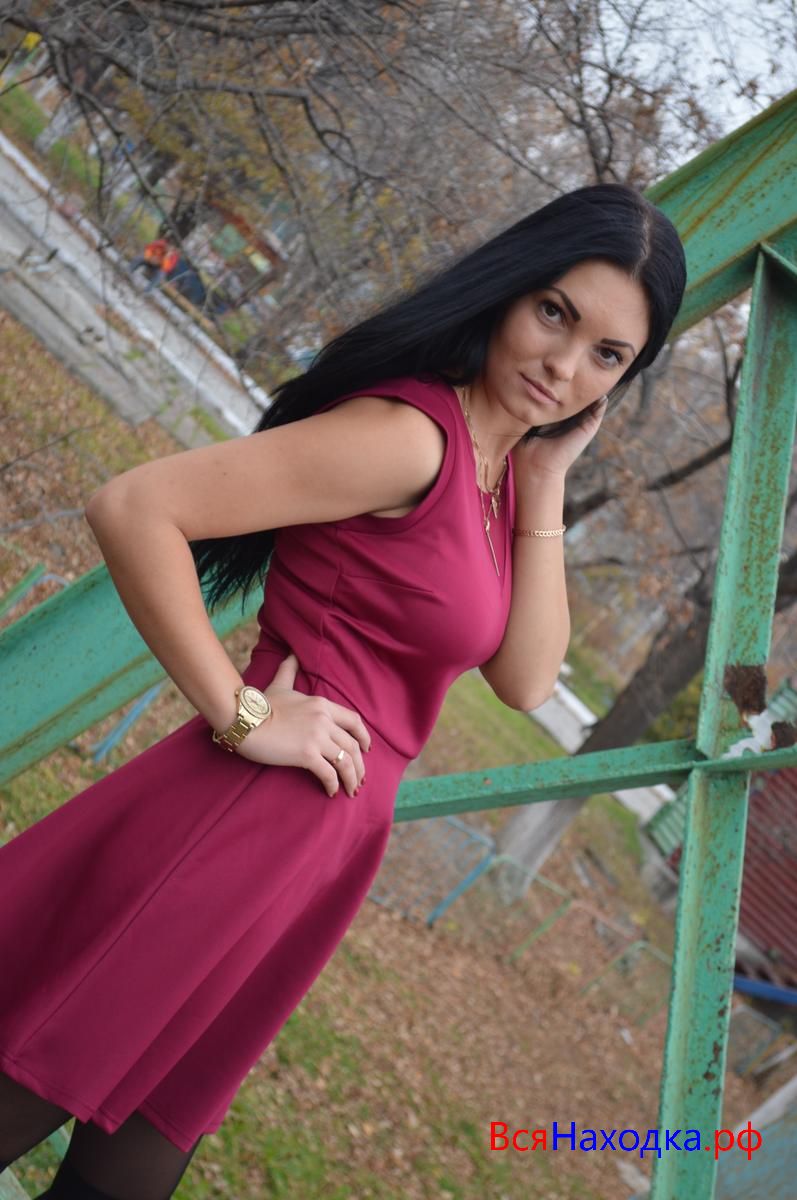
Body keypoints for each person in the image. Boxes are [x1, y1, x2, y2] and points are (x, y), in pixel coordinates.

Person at [0, 182, 686, 1198]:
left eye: (606, 355)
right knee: (40, 1076)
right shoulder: (410, 438)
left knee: (128, 1168)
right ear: (509, 290)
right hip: (241, 821)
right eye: (555, 313)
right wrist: (240, 712)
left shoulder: (499, 476)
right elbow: (136, 506)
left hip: (313, 856)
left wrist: (544, 484)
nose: (563, 365)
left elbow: (525, 677)